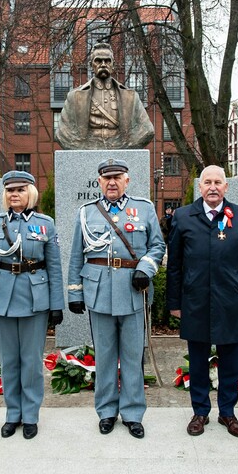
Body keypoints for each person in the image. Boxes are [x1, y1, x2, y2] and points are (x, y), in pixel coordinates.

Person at [66, 158, 166, 438]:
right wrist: (75, 291)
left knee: (133, 357)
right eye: (106, 178)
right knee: (106, 356)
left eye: (117, 177)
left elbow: (157, 246)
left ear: (127, 181)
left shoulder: (144, 209)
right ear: (99, 182)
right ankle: (107, 411)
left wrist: (146, 268)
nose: (112, 182)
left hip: (134, 291)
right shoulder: (87, 213)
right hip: (98, 292)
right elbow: (76, 254)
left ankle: (133, 413)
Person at [166, 165, 238, 438]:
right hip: (195, 301)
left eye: (218, 182)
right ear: (200, 187)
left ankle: (228, 413)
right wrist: (175, 302)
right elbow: (175, 266)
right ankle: (200, 411)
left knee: (230, 360)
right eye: (207, 182)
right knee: (197, 360)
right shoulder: (183, 217)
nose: (213, 187)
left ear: (226, 187)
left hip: (231, 301)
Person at [0, 171, 64, 440]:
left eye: (21, 190)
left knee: (31, 362)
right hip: (1, 297)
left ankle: (31, 414)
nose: (15, 194)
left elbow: (54, 267)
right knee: (9, 360)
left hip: (34, 299)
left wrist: (56, 304)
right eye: (10, 190)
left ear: (31, 193)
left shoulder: (45, 223)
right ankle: (12, 413)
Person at [54, 42, 154, 150]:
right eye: (98, 60)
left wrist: (128, 144)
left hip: (121, 147)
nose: (103, 64)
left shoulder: (131, 97)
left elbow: (147, 130)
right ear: (91, 64)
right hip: (87, 147)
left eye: (107, 61)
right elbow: (61, 134)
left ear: (113, 65)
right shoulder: (75, 97)